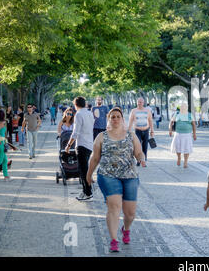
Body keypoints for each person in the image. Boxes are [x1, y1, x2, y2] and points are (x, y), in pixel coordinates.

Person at [86, 107, 146, 253]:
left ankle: (126, 229)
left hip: (130, 175)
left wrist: (141, 159)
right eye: (112, 117)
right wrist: (88, 175)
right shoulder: (101, 136)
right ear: (108, 119)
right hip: (107, 175)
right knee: (114, 206)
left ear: (122, 119)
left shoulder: (131, 135)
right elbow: (95, 158)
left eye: (118, 116)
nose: (115, 119)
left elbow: (138, 152)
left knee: (130, 213)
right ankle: (114, 240)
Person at [65, 97, 95, 201]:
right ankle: (86, 191)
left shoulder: (78, 114)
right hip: (89, 144)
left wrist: (68, 145)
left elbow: (75, 133)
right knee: (86, 170)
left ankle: (88, 193)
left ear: (76, 105)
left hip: (82, 144)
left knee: (83, 171)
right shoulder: (90, 113)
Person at [169, 103, 197, 168]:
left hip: (187, 134)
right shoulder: (177, 114)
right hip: (178, 133)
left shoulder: (190, 115)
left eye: (185, 107)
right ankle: (179, 158)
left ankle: (185, 162)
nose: (183, 108)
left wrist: (194, 134)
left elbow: (193, 124)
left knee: (187, 148)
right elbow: (171, 122)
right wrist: (170, 130)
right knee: (177, 147)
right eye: (182, 107)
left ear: (187, 108)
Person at [128, 98, 154, 166]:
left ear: (143, 103)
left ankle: (144, 161)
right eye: (138, 102)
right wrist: (128, 130)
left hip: (146, 130)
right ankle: (138, 160)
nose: (140, 103)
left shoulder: (147, 110)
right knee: (137, 146)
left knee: (145, 146)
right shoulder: (133, 111)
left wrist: (152, 130)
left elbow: (150, 120)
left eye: (141, 102)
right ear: (137, 102)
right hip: (138, 131)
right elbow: (130, 121)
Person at [0, 110, 13, 181]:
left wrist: (6, 142)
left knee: (4, 160)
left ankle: (6, 176)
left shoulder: (2, 122)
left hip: (2, 142)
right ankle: (6, 176)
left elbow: (4, 134)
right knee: (0, 159)